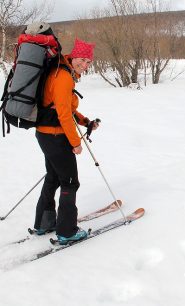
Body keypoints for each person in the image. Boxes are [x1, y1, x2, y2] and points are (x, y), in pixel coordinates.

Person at [34, 38, 98, 244]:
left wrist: (85, 121)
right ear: (74, 55)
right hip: (55, 135)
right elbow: (62, 113)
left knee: (53, 176)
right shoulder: (63, 76)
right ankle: (67, 231)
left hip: (46, 134)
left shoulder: (62, 70)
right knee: (70, 181)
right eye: (82, 59)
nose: (85, 65)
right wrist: (75, 143)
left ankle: (45, 223)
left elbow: (64, 108)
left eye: (89, 62)